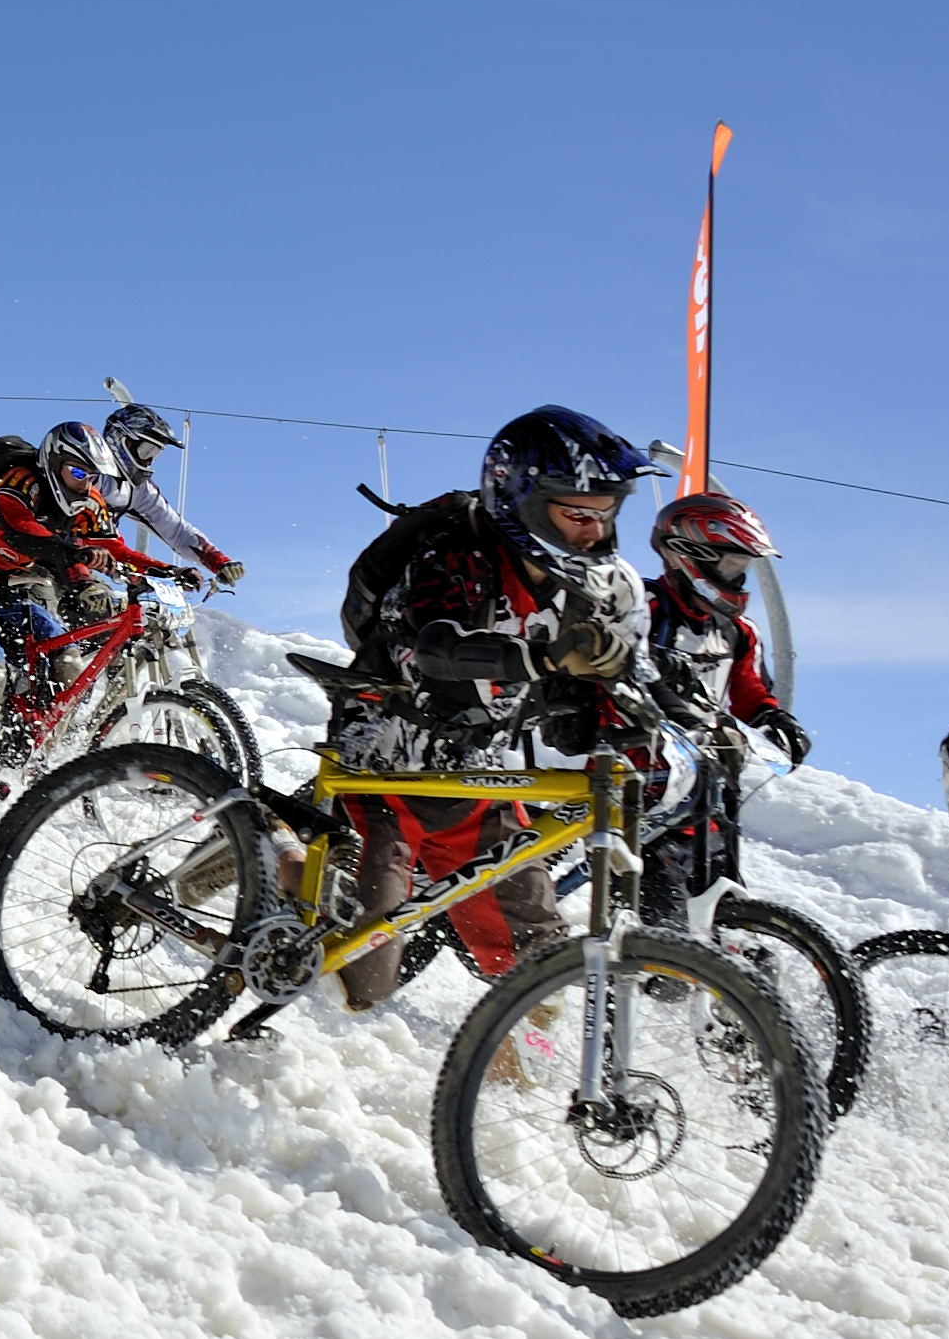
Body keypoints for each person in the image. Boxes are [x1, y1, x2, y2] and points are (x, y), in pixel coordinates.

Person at [318, 406, 660, 1009]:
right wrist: (545, 660)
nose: (593, 533)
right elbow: (435, 647)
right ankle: (271, 852)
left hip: (473, 774)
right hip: (382, 759)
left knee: (537, 966)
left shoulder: (597, 590)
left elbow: (624, 683)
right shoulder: (457, 556)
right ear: (524, 500)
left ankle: (503, 1088)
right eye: (577, 514)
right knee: (365, 970)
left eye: (605, 516)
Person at [0, 421, 173, 780]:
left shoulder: (86, 502)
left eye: (92, 476)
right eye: (76, 471)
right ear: (53, 461)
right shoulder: (20, 481)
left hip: (10, 589)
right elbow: (21, 529)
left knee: (69, 663)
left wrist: (167, 569)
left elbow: (114, 548)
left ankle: (36, 756)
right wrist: (72, 550)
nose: (85, 483)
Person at [633, 490, 811, 926]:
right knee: (658, 914)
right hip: (636, 783)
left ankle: (723, 977)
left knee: (719, 905)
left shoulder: (738, 631)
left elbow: (749, 690)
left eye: (744, 567)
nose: (739, 579)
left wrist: (774, 719)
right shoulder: (642, 607)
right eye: (732, 564)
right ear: (686, 556)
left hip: (707, 788)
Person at [93, 402, 244, 591]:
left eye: (155, 454)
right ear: (120, 439)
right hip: (55, 553)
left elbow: (176, 529)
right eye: (146, 450)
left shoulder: (137, 489)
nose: (148, 460)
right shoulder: (85, 472)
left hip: (94, 561)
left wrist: (218, 561)